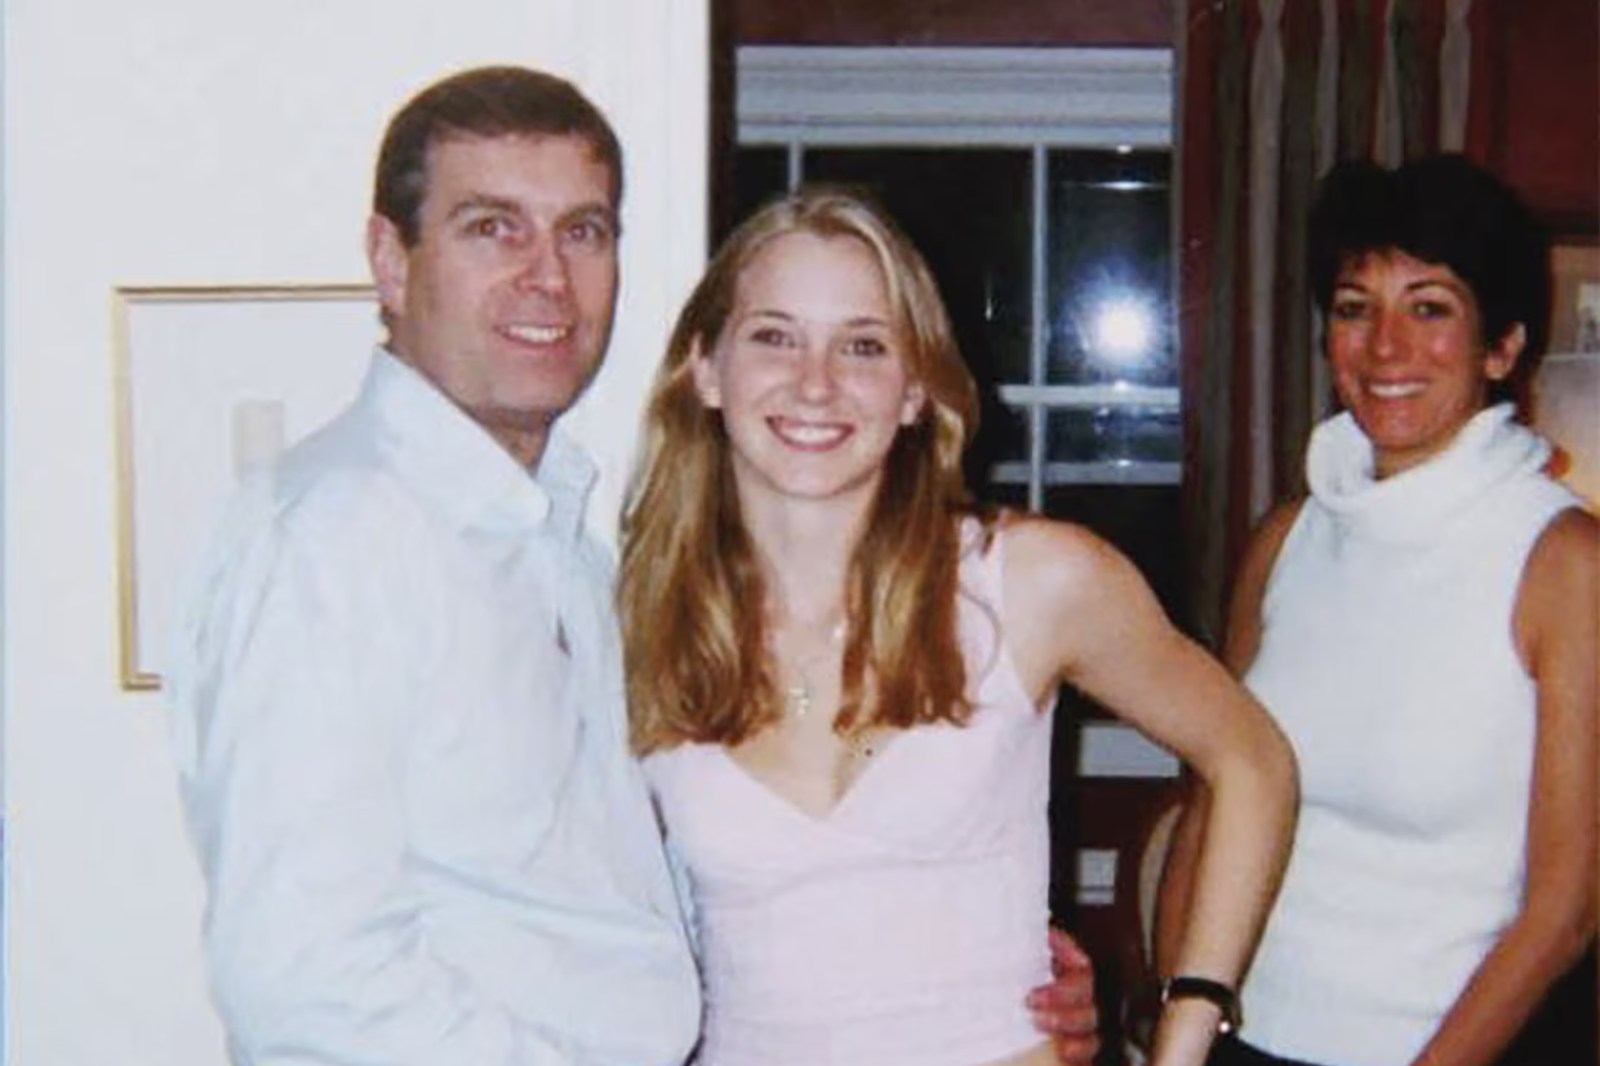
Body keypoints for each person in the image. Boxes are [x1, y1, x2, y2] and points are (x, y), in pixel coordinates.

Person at [168, 66, 1100, 1066]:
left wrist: (960, 974)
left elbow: (618, 899)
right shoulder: (333, 539)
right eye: (492, 228)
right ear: (390, 262)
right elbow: (306, 984)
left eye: (583, 231)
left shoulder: (566, 546)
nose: (546, 277)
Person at [617, 187, 1298, 1066]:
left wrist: (1188, 1023)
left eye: (863, 345)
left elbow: (1253, 760)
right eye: (774, 336)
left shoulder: (1030, 582)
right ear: (706, 369)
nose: (815, 382)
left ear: (912, 391)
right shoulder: (638, 616)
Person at [1156, 155, 1598, 1066]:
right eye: (1355, 308)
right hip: (1241, 1038)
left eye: (1429, 308)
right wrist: (1175, 1027)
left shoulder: (1565, 565)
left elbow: (1568, 907)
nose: (1385, 347)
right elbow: (1209, 806)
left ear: (1502, 347)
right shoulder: (1285, 540)